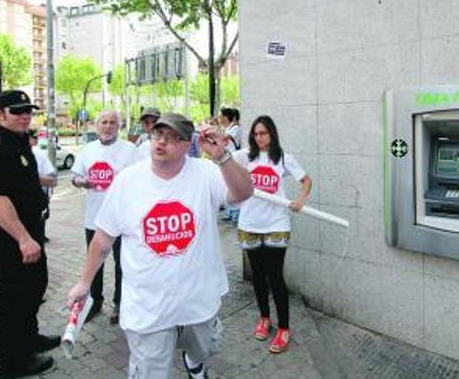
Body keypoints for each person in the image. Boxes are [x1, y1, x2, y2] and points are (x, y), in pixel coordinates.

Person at [67, 114, 253, 379]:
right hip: (148, 305)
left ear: (188, 143)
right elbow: (103, 237)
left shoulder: (206, 172)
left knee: (205, 348)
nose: (161, 142)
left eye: (171, 137)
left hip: (198, 297)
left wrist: (222, 156)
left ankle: (195, 360)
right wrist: (84, 282)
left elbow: (244, 193)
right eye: (157, 135)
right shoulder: (128, 181)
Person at [0, 90, 58, 378]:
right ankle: (11, 363)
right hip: (12, 237)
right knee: (13, 298)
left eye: (29, 110)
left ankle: (29, 339)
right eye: (17, 111)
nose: (25, 116)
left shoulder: (20, 142)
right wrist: (23, 238)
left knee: (34, 288)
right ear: (1, 115)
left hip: (30, 230)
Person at [233, 115, 311, 353]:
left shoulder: (284, 158)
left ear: (272, 134)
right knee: (258, 275)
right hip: (249, 224)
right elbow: (220, 160)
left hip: (277, 224)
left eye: (263, 133)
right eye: (255, 134)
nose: (259, 138)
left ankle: (284, 328)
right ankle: (265, 318)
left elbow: (306, 180)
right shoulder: (245, 156)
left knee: (275, 276)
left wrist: (300, 200)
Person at [70, 109, 137, 325]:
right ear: (96, 126)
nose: (107, 127)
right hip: (95, 219)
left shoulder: (130, 150)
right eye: (103, 123)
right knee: (94, 263)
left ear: (119, 126)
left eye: (112, 123)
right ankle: (95, 302)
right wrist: (81, 182)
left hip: (123, 220)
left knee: (122, 264)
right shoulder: (88, 149)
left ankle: (120, 304)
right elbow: (74, 176)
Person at [28, 129, 57, 242]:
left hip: (38, 192)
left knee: (40, 217)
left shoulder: (39, 153)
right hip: (34, 193)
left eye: (37, 138)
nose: (36, 140)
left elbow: (51, 177)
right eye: (34, 138)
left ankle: (40, 236)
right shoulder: (37, 152)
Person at [219, 108, 242, 224]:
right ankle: (229, 213)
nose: (219, 118)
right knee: (227, 187)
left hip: (233, 160)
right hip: (225, 161)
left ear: (226, 117)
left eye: (221, 116)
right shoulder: (226, 128)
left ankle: (235, 216)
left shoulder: (235, 128)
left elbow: (223, 138)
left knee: (233, 186)